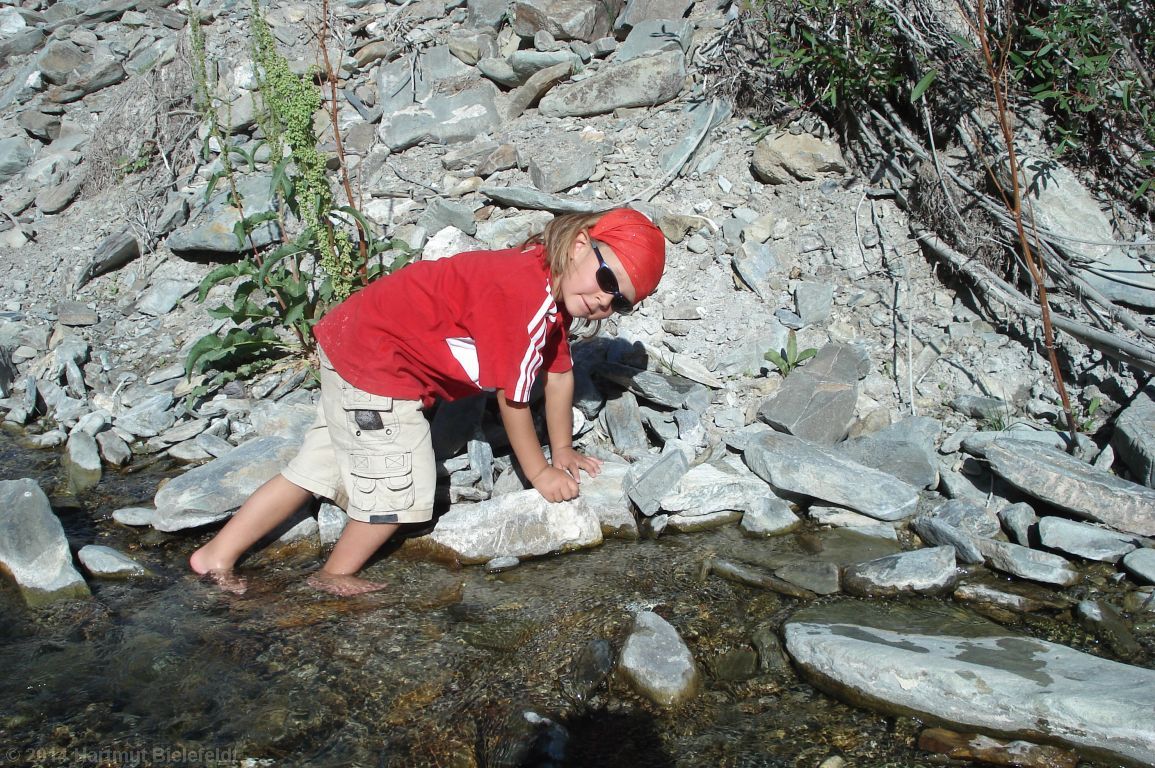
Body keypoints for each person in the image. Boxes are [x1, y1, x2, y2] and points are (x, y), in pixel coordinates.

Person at [189, 207, 667, 595]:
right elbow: (513, 401)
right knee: (403, 494)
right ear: (581, 245)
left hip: (356, 341)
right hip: (380, 367)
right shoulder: (528, 296)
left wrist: (561, 451)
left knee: (318, 470)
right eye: (608, 281)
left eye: (620, 302)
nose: (606, 303)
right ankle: (332, 578)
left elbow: (559, 372)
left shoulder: (546, 281)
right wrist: (539, 473)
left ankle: (215, 555)